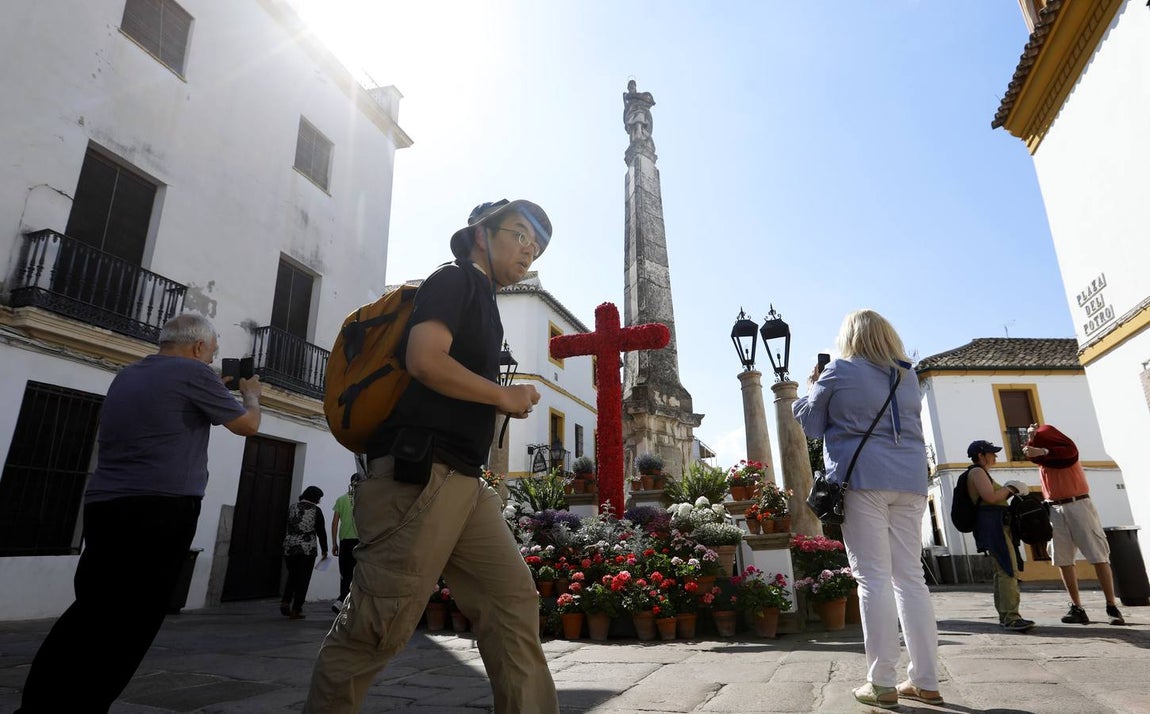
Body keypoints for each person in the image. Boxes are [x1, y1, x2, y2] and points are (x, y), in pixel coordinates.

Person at [304, 199, 559, 713]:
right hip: (420, 479)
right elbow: (424, 360)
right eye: (520, 234)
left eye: (539, 243)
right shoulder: (455, 279)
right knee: (375, 628)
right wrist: (502, 395)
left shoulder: (486, 301)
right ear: (481, 234)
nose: (530, 249)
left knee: (512, 603)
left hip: (465, 482)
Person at [18, 313, 261, 714]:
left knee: (92, 611)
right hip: (161, 508)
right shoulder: (192, 373)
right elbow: (247, 425)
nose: (211, 361)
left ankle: (39, 705)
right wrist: (251, 393)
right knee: (133, 623)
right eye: (212, 353)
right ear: (199, 347)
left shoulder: (128, 374)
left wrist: (212, 385)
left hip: (106, 504)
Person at [793, 309, 942, 710]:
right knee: (910, 579)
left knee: (872, 579)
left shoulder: (839, 371)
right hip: (910, 482)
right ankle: (927, 680)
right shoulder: (907, 374)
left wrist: (811, 387)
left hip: (863, 480)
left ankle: (881, 682)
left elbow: (810, 424)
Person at [1023, 423, 1125, 625]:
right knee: (1062, 558)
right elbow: (1032, 453)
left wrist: (1041, 448)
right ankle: (1076, 606)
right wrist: (1031, 439)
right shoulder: (1044, 460)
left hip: (1078, 504)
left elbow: (1063, 454)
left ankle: (1111, 605)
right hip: (1055, 509)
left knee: (1098, 555)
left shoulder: (1066, 453)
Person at [966, 440, 1035, 632]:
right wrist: (1011, 488)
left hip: (995, 525)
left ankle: (1006, 615)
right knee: (1008, 569)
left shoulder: (981, 472)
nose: (995, 456)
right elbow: (991, 498)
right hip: (993, 526)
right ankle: (1011, 617)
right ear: (981, 455)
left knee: (1003, 570)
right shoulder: (977, 472)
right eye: (992, 453)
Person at [282, 486, 328, 620]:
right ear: (316, 498)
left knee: (292, 575)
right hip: (307, 549)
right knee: (303, 579)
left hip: (289, 547)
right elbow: (321, 531)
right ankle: (296, 609)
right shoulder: (316, 511)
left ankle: (285, 601)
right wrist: (324, 549)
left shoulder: (292, 507)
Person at [330, 473, 361, 613]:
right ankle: (347, 601)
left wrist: (334, 543)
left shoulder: (341, 499)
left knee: (345, 573)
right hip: (360, 541)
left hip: (344, 541)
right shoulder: (364, 500)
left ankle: (342, 600)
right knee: (358, 573)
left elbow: (335, 522)